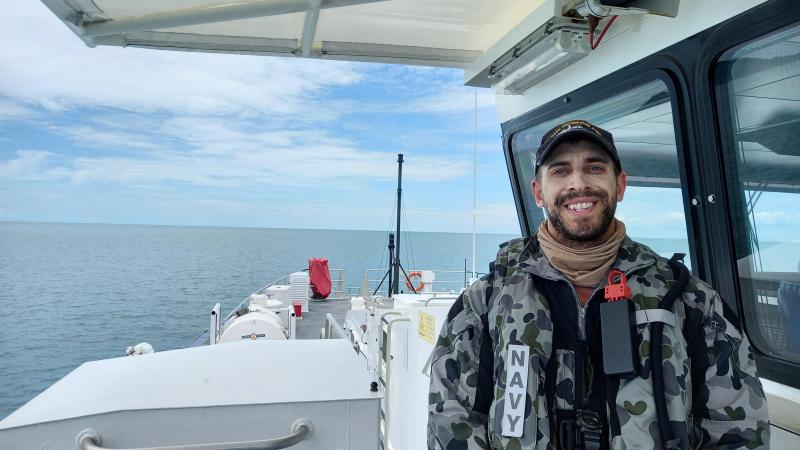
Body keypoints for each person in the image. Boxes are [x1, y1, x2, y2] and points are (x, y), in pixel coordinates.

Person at [427, 120, 769, 449]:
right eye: (560, 171)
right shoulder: (485, 302)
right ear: (538, 192)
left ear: (619, 184)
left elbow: (738, 432)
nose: (578, 183)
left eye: (594, 168)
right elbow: (452, 423)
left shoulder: (689, 300)